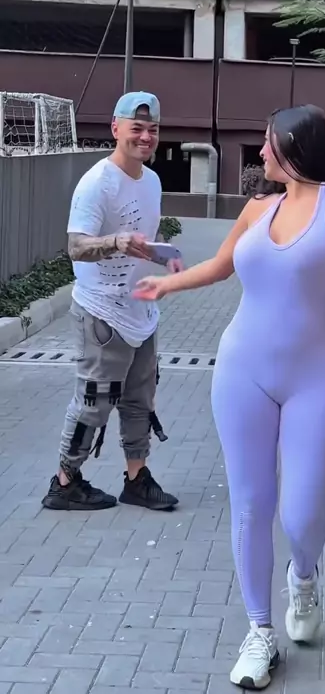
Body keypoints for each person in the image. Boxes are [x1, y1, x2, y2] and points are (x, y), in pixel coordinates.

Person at [134, 104, 325, 690]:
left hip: (317, 376)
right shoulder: (256, 208)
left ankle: (304, 576)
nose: (262, 153)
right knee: (250, 504)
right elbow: (221, 266)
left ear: (295, 145)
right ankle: (260, 631)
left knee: (303, 513)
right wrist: (167, 283)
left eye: (268, 143)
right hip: (241, 370)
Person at [42, 91, 182, 513]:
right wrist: (116, 241)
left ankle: (137, 478)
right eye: (136, 128)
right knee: (95, 401)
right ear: (115, 128)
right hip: (101, 312)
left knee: (141, 399)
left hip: (141, 310)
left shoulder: (152, 180)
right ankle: (64, 482)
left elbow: (144, 238)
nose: (145, 137)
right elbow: (75, 246)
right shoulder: (96, 183)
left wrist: (163, 256)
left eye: (152, 129)